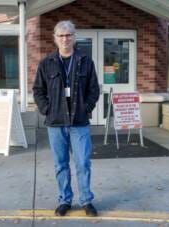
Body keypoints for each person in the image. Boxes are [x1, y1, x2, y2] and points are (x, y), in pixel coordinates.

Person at [33, 20, 100, 217]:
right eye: (61, 36)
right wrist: (48, 109)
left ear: (74, 37)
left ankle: (86, 200)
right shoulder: (47, 63)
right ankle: (65, 200)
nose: (65, 39)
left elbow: (94, 90)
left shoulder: (86, 62)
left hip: (79, 123)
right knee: (61, 164)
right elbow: (38, 90)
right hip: (56, 123)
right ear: (55, 38)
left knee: (83, 163)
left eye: (69, 35)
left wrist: (86, 109)